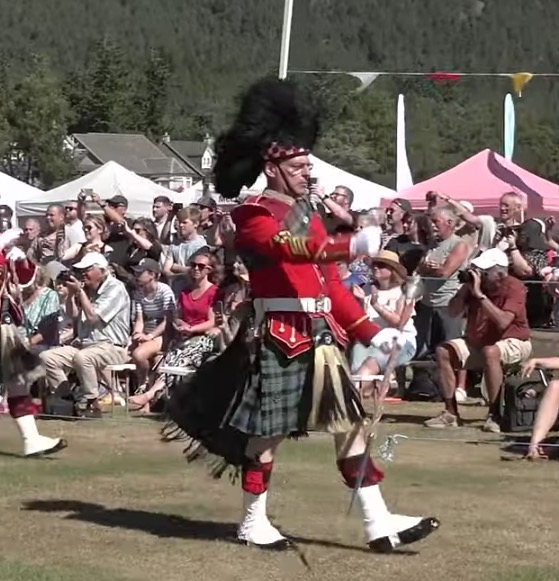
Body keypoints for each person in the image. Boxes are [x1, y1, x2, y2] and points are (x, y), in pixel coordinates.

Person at [163, 77, 439, 553]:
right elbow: (287, 249)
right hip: (279, 334)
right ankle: (253, 521)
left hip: (321, 335)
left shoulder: (308, 213)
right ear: (272, 167)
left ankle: (378, 522)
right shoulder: (254, 213)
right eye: (297, 165)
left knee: (350, 424)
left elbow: (330, 286)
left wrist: (374, 333)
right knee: (267, 435)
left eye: (307, 164)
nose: (306, 173)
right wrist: (348, 243)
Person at [424, 248, 531, 431]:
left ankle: (494, 415)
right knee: (444, 351)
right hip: (479, 342)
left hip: (514, 341)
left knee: (491, 352)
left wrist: (480, 296)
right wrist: (465, 289)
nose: (479, 275)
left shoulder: (514, 287)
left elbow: (503, 321)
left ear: (499, 273)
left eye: (484, 272)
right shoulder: (474, 287)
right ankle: (451, 413)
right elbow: (452, 312)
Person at [39, 252, 130, 418]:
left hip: (112, 347)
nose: (83, 274)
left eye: (87, 270)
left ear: (101, 271)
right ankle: (66, 400)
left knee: (83, 358)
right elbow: (73, 314)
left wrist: (80, 292)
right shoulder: (88, 290)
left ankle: (92, 403)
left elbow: (93, 317)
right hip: (85, 345)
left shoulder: (115, 288)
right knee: (47, 357)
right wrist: (73, 294)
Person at [0, 236, 67, 456]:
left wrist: (21, 262)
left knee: (17, 382)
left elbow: (26, 279)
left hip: (5, 327)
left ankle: (31, 440)